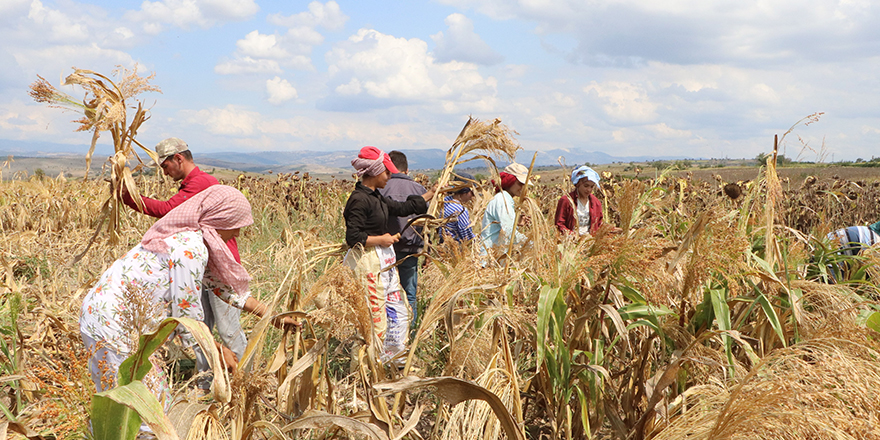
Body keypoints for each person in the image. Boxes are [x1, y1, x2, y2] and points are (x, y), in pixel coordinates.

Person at [80, 185, 294, 432]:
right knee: (137, 405)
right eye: (235, 225)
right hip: (111, 322)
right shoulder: (188, 248)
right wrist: (217, 352)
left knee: (141, 401)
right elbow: (186, 315)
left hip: (113, 319)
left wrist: (272, 316)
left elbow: (222, 288)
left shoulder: (192, 241)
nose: (236, 233)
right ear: (218, 221)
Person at [122, 138, 247, 386]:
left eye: (166, 167)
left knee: (228, 330)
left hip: (218, 266)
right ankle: (207, 383)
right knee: (202, 328)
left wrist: (128, 196)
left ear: (178, 158)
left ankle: (242, 380)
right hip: (200, 266)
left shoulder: (201, 183)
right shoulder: (194, 183)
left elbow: (167, 210)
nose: (166, 174)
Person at [342, 146, 434, 363]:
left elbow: (402, 208)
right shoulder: (359, 199)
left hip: (385, 260)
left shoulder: (377, 196)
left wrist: (430, 194)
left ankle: (395, 359)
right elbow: (353, 236)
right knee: (374, 318)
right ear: (374, 172)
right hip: (369, 263)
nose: (390, 176)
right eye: (386, 172)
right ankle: (367, 366)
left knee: (399, 312)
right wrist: (381, 240)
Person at [379, 151, 427, 329]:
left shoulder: (381, 187)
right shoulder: (420, 190)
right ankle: (408, 335)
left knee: (385, 294)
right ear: (407, 169)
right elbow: (428, 223)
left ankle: (388, 333)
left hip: (385, 251)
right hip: (411, 250)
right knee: (409, 295)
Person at [480, 163, 530, 255]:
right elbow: (510, 233)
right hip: (490, 258)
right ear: (510, 181)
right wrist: (531, 244)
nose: (523, 188)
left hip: (495, 255)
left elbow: (503, 227)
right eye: (520, 184)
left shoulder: (504, 199)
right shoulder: (503, 201)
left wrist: (516, 222)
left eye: (525, 184)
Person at [554, 165, 604, 236]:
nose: (589, 190)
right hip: (571, 241)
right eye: (586, 186)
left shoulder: (596, 203)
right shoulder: (566, 200)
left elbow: (599, 224)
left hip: (589, 240)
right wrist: (571, 235)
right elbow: (559, 224)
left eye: (592, 186)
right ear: (577, 184)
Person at [440, 172, 476, 243]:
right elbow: (467, 236)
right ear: (465, 192)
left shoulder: (445, 201)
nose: (472, 197)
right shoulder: (460, 210)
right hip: (454, 247)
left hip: (443, 243)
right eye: (472, 193)